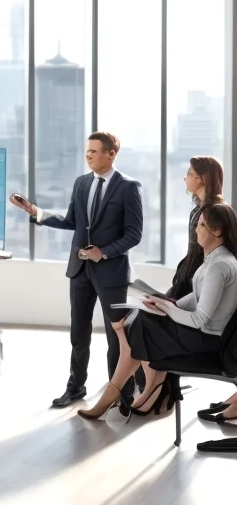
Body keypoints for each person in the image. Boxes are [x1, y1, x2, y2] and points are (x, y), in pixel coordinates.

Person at [10, 131, 143, 409]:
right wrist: (36, 212)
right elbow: (71, 220)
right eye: (88, 151)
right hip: (80, 270)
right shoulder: (82, 183)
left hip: (112, 274)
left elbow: (134, 235)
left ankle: (120, 391)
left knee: (116, 336)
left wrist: (103, 252)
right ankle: (76, 387)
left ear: (111, 154)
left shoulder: (129, 187)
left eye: (94, 151)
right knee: (78, 333)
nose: (89, 155)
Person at [77, 203, 237, 421]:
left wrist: (169, 308)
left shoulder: (220, 265)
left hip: (207, 339)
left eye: (201, 225)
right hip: (204, 334)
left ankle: (121, 391)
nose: (196, 229)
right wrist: (164, 302)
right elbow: (197, 297)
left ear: (217, 231)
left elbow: (200, 319)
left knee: (140, 326)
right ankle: (133, 388)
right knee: (143, 318)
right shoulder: (215, 260)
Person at [161, 156, 225, 409]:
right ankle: (161, 387)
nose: (185, 178)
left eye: (189, 174)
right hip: (186, 275)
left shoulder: (214, 211)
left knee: (166, 324)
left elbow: (208, 254)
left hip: (195, 280)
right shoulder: (198, 206)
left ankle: (163, 389)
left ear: (203, 178)